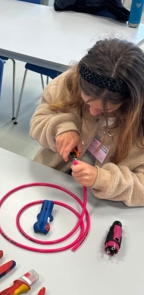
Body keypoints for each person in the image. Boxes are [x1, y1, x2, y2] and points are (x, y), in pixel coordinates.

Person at [30, 38, 144, 207]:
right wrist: (61, 127)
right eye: (87, 103)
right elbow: (39, 120)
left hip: (103, 205)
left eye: (106, 110)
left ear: (130, 102)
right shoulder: (71, 80)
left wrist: (104, 179)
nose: (92, 113)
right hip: (51, 180)